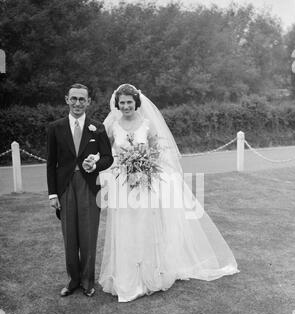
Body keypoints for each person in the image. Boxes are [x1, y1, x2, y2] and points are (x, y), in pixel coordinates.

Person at [98, 84, 238, 302]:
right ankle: (126, 279)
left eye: (129, 102)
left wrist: (143, 167)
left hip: (144, 185)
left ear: (136, 103)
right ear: (117, 104)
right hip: (121, 186)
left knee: (145, 227)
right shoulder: (112, 126)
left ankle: (149, 277)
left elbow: (157, 153)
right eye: (122, 102)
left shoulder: (146, 125)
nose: (126, 106)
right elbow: (106, 153)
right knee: (125, 228)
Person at [47, 83, 113, 297]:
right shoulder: (56, 127)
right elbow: (51, 163)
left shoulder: (97, 127)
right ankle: (73, 279)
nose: (77, 103)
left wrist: (95, 165)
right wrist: (53, 193)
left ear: (88, 102)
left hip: (89, 186)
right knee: (70, 236)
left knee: (88, 235)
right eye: (73, 98)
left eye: (82, 99)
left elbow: (108, 158)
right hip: (65, 186)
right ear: (67, 99)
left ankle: (87, 281)